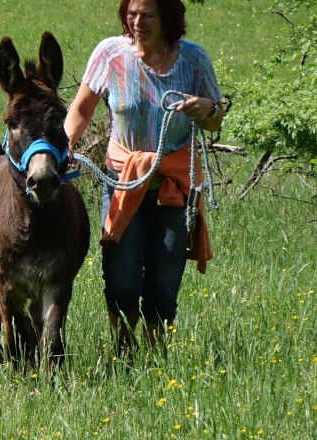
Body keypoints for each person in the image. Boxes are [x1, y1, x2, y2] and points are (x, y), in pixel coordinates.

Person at [64, 0, 223, 354]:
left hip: (175, 187)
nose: (138, 22)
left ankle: (155, 356)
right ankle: (123, 349)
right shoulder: (110, 54)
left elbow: (215, 118)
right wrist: (66, 144)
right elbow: (82, 108)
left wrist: (207, 109)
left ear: (167, 16)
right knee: (121, 280)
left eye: (147, 14)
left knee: (164, 282)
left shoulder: (194, 60)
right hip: (123, 183)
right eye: (131, 13)